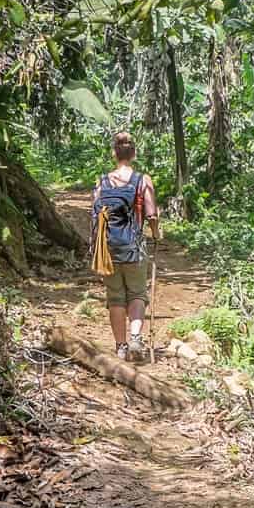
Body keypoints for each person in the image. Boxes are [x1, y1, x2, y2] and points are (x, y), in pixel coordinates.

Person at [92, 130, 161, 360]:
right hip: (134, 247)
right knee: (137, 294)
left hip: (109, 250)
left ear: (114, 153)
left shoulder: (102, 182)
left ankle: (120, 346)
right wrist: (156, 234)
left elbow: (95, 216)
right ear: (134, 153)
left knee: (115, 297)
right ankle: (135, 338)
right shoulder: (143, 180)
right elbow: (151, 215)